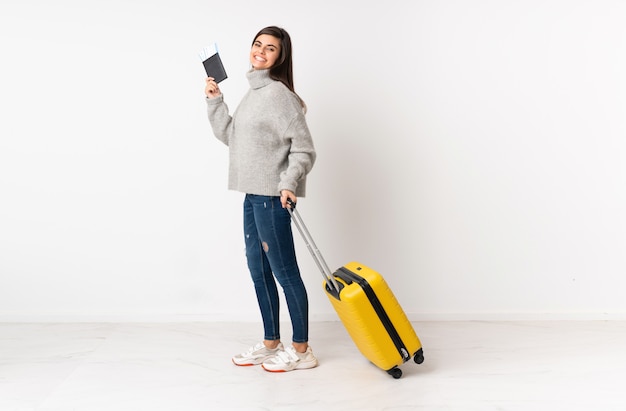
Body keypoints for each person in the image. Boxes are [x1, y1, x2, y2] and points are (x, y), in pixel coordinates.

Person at [204, 26, 317, 372]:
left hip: (272, 198)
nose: (261, 51)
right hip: (253, 196)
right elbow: (233, 137)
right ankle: (272, 342)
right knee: (259, 269)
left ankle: (301, 350)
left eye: (270, 48)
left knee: (285, 272)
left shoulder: (279, 96)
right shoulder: (253, 92)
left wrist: (288, 183)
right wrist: (214, 101)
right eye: (257, 45)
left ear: (280, 57)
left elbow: (304, 148)